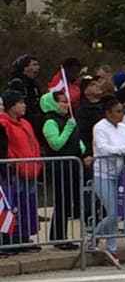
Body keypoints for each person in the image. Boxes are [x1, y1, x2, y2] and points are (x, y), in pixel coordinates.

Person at [86, 96, 125, 267]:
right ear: (108, 112)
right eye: (117, 112)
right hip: (103, 174)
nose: (121, 115)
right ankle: (94, 238)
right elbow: (103, 149)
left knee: (119, 213)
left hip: (120, 174)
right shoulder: (100, 127)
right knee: (113, 212)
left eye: (122, 111)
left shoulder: (123, 127)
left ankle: (111, 246)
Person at [40, 87, 86, 250]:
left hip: (72, 167)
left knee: (68, 202)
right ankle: (58, 237)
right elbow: (56, 144)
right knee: (61, 202)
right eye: (63, 102)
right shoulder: (50, 122)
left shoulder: (67, 119)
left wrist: (82, 149)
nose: (67, 105)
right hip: (60, 168)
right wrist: (68, 127)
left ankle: (63, 236)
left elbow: (77, 141)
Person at [0, 89, 43, 253]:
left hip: (30, 169)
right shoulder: (4, 123)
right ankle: (14, 237)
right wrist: (15, 164)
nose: (23, 106)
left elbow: (35, 144)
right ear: (11, 106)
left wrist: (37, 164)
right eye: (20, 103)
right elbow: (8, 147)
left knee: (28, 204)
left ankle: (25, 235)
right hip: (16, 170)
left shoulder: (25, 123)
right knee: (15, 204)